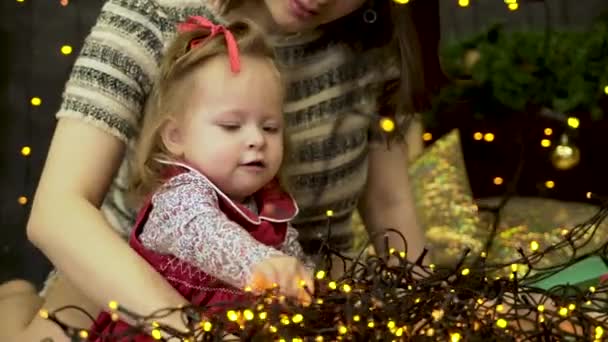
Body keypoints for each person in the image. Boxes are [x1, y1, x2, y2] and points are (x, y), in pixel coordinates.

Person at [1, 0, 443, 341]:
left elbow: (390, 205)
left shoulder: (368, 44)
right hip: (132, 295)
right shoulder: (152, 14)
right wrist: (194, 332)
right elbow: (57, 212)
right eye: (232, 125)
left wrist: (430, 313)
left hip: (281, 312)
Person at [87, 17, 314, 340]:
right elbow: (202, 231)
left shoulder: (270, 208)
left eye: (270, 127)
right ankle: (15, 298)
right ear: (176, 136)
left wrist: (309, 286)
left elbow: (294, 265)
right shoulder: (178, 196)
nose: (256, 140)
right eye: (231, 126)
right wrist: (260, 262)